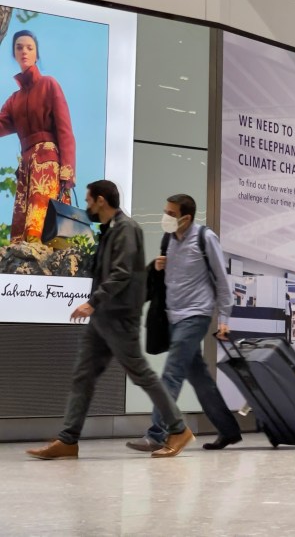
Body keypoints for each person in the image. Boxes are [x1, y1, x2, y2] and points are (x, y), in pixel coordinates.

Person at [27, 180, 193, 460]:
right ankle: (68, 440)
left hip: (118, 317)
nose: (88, 207)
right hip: (104, 319)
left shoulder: (127, 229)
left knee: (141, 374)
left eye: (90, 201)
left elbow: (122, 272)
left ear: (101, 200)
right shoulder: (110, 229)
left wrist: (92, 303)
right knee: (83, 376)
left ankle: (178, 429)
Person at [126, 194, 242, 453]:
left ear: (186, 218)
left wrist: (224, 319)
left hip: (196, 315)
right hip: (172, 316)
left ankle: (158, 432)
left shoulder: (205, 238)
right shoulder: (169, 239)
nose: (165, 216)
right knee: (199, 378)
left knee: (172, 373)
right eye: (165, 210)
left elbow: (222, 281)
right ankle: (229, 430)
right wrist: (157, 266)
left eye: (171, 213)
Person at [0, 30, 76, 243]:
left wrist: (67, 172)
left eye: (29, 47)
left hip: (48, 165)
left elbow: (65, 130)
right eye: (19, 47)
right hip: (26, 168)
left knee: (45, 225)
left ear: (36, 54)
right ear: (14, 54)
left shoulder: (49, 84)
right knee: (21, 236)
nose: (24, 51)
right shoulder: (13, 100)